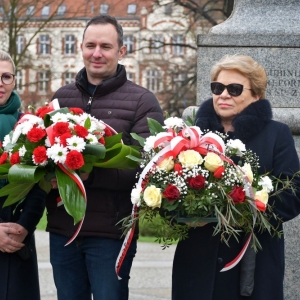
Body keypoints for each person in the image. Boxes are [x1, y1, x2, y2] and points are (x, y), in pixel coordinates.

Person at [46, 15, 164, 300]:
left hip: (110, 234)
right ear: (81, 48)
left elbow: (145, 169)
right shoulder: (61, 98)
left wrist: (89, 174)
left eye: (106, 46)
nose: (96, 53)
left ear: (121, 51)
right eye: (90, 45)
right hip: (63, 229)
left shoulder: (142, 101)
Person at [172, 54, 300, 300]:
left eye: (235, 88)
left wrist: (240, 207)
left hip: (253, 262)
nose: (224, 94)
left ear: (256, 95)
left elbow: (293, 193)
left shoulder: (276, 134)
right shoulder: (191, 135)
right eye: (218, 88)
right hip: (197, 261)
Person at [0, 50, 46, 300]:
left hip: (19, 240)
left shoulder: (28, 125)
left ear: (15, 80)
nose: (0, 83)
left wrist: (24, 226)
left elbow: (40, 186)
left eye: (6, 76)